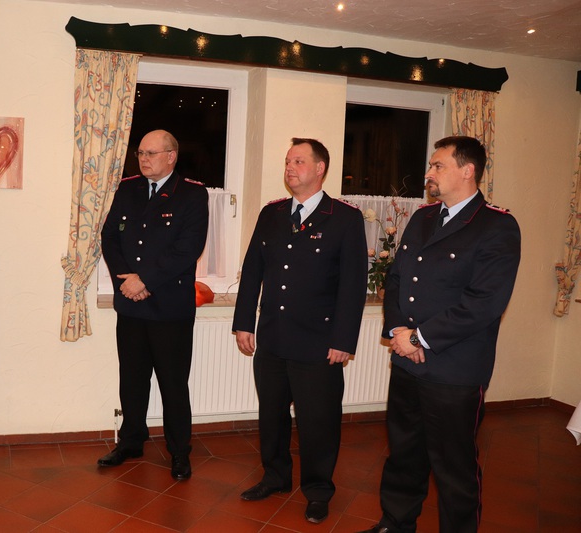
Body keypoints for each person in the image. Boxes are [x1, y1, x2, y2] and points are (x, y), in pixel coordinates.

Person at [359, 136, 521, 533]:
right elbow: (397, 279)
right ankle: (396, 522)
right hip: (407, 362)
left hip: (454, 371)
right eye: (431, 165)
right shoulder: (424, 218)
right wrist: (399, 331)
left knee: (454, 467)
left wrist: (419, 338)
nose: (428, 173)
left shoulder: (497, 226)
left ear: (467, 171)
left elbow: (484, 302)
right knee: (403, 454)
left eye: (438, 166)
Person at [233, 137, 367, 524]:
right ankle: (275, 477)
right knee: (271, 416)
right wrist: (244, 322)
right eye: (288, 161)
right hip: (273, 337)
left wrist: (343, 340)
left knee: (318, 422)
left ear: (320, 168)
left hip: (319, 343)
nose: (290, 168)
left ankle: (318, 490)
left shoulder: (344, 218)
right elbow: (253, 271)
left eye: (299, 161)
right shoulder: (272, 214)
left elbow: (353, 285)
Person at [98, 129, 209, 480]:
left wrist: (143, 280)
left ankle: (179, 451)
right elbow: (109, 237)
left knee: (173, 384)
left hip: (170, 309)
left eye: (151, 153)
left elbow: (187, 249)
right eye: (141, 153)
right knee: (131, 379)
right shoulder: (128, 189)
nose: (143, 159)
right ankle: (131, 440)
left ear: (171, 156)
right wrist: (126, 280)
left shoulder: (192, 195)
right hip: (131, 305)